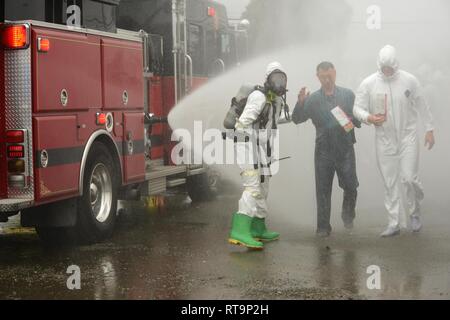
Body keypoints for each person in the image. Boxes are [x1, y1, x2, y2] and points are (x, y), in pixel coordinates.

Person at [353, 45, 435, 237]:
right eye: (384, 68)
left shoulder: (409, 81)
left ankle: (415, 213)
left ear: (396, 64)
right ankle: (394, 222)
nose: (387, 71)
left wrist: (429, 129)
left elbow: (423, 106)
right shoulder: (369, 83)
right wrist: (369, 117)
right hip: (384, 139)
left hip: (408, 136)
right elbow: (357, 108)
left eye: (390, 67)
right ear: (379, 65)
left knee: (409, 178)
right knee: (390, 182)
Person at [292, 61, 360, 237]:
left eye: (329, 76)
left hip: (345, 147)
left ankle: (347, 215)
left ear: (335, 73)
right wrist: (300, 103)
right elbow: (297, 119)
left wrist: (348, 119)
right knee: (322, 189)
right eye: (323, 77)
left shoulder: (347, 95)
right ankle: (323, 227)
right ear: (318, 77)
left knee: (351, 186)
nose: (327, 80)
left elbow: (358, 120)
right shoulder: (313, 99)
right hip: (324, 150)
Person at [228, 61, 288, 249]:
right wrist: (251, 146)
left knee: (263, 187)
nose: (279, 84)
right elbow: (242, 124)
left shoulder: (276, 101)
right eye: (276, 79)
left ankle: (258, 227)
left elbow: (274, 121)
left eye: (282, 79)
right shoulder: (258, 97)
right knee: (252, 187)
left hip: (262, 150)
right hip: (247, 147)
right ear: (267, 79)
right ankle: (239, 231)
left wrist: (301, 108)